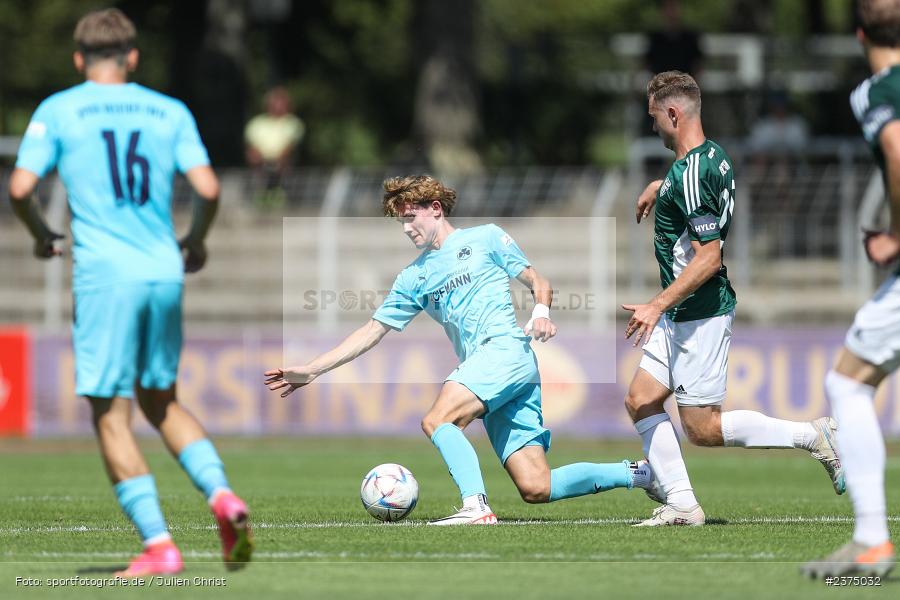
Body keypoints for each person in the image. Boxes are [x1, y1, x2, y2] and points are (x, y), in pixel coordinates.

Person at [7, 9, 252, 576]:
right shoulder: (169, 110)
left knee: (110, 414)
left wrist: (42, 234)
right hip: (163, 268)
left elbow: (20, 188)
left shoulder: (60, 109)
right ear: (133, 57)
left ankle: (160, 545)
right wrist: (196, 240)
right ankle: (222, 496)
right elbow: (208, 188)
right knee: (161, 399)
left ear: (79, 59)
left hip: (105, 275)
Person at [265, 175, 656, 524]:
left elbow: (539, 280)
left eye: (410, 217)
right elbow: (372, 331)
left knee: (439, 420)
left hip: (505, 351)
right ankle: (640, 473)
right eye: (401, 222)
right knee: (537, 485)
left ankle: (475, 506)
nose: (406, 228)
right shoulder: (413, 277)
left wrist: (541, 312)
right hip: (496, 369)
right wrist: (313, 369)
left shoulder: (485, 238)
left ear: (435, 209)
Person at [622, 70, 844, 527]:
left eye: (654, 117)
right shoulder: (713, 156)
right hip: (682, 312)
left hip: (697, 313)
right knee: (641, 399)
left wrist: (656, 304)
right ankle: (683, 505)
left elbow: (708, 258)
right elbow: (694, 189)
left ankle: (814, 435)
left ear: (672, 113)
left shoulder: (690, 173)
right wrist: (662, 187)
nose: (652, 125)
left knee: (702, 428)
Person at [802, 0, 899, 578]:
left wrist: (896, 236)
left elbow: (896, 148)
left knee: (847, 383)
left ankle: (871, 541)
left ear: (860, 35)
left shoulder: (875, 93)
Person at [244, 86, 304, 207]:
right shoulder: (256, 123)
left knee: (282, 162)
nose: (278, 106)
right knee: (254, 160)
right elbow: (252, 147)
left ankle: (281, 198)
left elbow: (290, 146)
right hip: (260, 163)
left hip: (283, 164)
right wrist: (260, 158)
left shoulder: (293, 123)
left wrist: (276, 160)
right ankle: (260, 197)